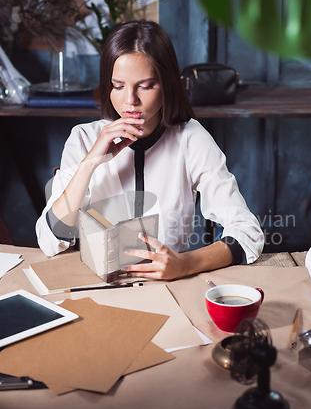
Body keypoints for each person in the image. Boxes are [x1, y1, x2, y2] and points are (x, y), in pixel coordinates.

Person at [36, 20, 264, 280]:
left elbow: (248, 233)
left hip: (172, 288)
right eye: (118, 86)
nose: (130, 100)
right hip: (97, 287)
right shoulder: (83, 138)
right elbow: (49, 239)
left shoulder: (190, 139)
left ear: (167, 85)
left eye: (145, 86)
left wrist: (185, 263)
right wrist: (89, 164)